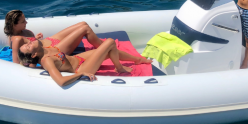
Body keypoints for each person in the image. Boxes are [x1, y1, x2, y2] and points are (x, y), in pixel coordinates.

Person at [18, 38, 152, 87]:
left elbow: (32, 44)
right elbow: (61, 81)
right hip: (80, 68)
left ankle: (138, 59)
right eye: (28, 46)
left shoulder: (44, 48)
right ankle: (119, 68)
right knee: (109, 42)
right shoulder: (46, 60)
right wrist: (80, 75)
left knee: (108, 49)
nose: (29, 42)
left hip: (79, 59)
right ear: (34, 54)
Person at [4, 10, 104, 65]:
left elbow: (32, 44)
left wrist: (36, 39)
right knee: (85, 29)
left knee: (83, 24)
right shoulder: (16, 39)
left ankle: (103, 46)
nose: (26, 22)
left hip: (50, 40)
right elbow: (16, 62)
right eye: (23, 21)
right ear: (14, 25)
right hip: (53, 49)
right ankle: (104, 48)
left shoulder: (24, 32)